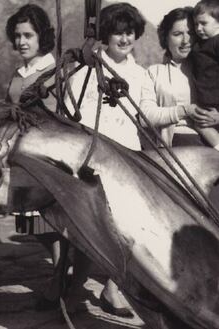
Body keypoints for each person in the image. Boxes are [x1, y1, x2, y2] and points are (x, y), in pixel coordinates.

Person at [65, 2, 147, 317]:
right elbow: (75, 115)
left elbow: (142, 114)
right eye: (117, 33)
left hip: (128, 159)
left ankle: (113, 289)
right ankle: (73, 288)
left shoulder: (139, 75)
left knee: (124, 229)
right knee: (89, 230)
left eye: (129, 33)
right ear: (105, 35)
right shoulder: (87, 69)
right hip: (94, 159)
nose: (124, 39)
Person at [5, 4, 87, 315]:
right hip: (21, 155)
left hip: (50, 158)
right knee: (32, 224)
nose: (21, 42)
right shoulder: (18, 73)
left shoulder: (56, 71)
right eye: (17, 36)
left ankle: (59, 283)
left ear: (43, 37)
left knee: (52, 223)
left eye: (28, 35)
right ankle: (60, 274)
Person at [139, 7, 206, 147]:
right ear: (165, 37)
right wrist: (185, 110)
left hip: (209, 147)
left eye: (191, 33)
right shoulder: (154, 72)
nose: (186, 41)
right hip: (169, 150)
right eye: (178, 34)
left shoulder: (211, 70)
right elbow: (145, 116)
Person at [188, 0, 219, 148]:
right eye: (195, 24)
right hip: (206, 102)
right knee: (200, 124)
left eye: (203, 23)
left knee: (201, 124)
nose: (198, 28)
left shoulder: (217, 43)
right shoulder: (199, 44)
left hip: (215, 101)